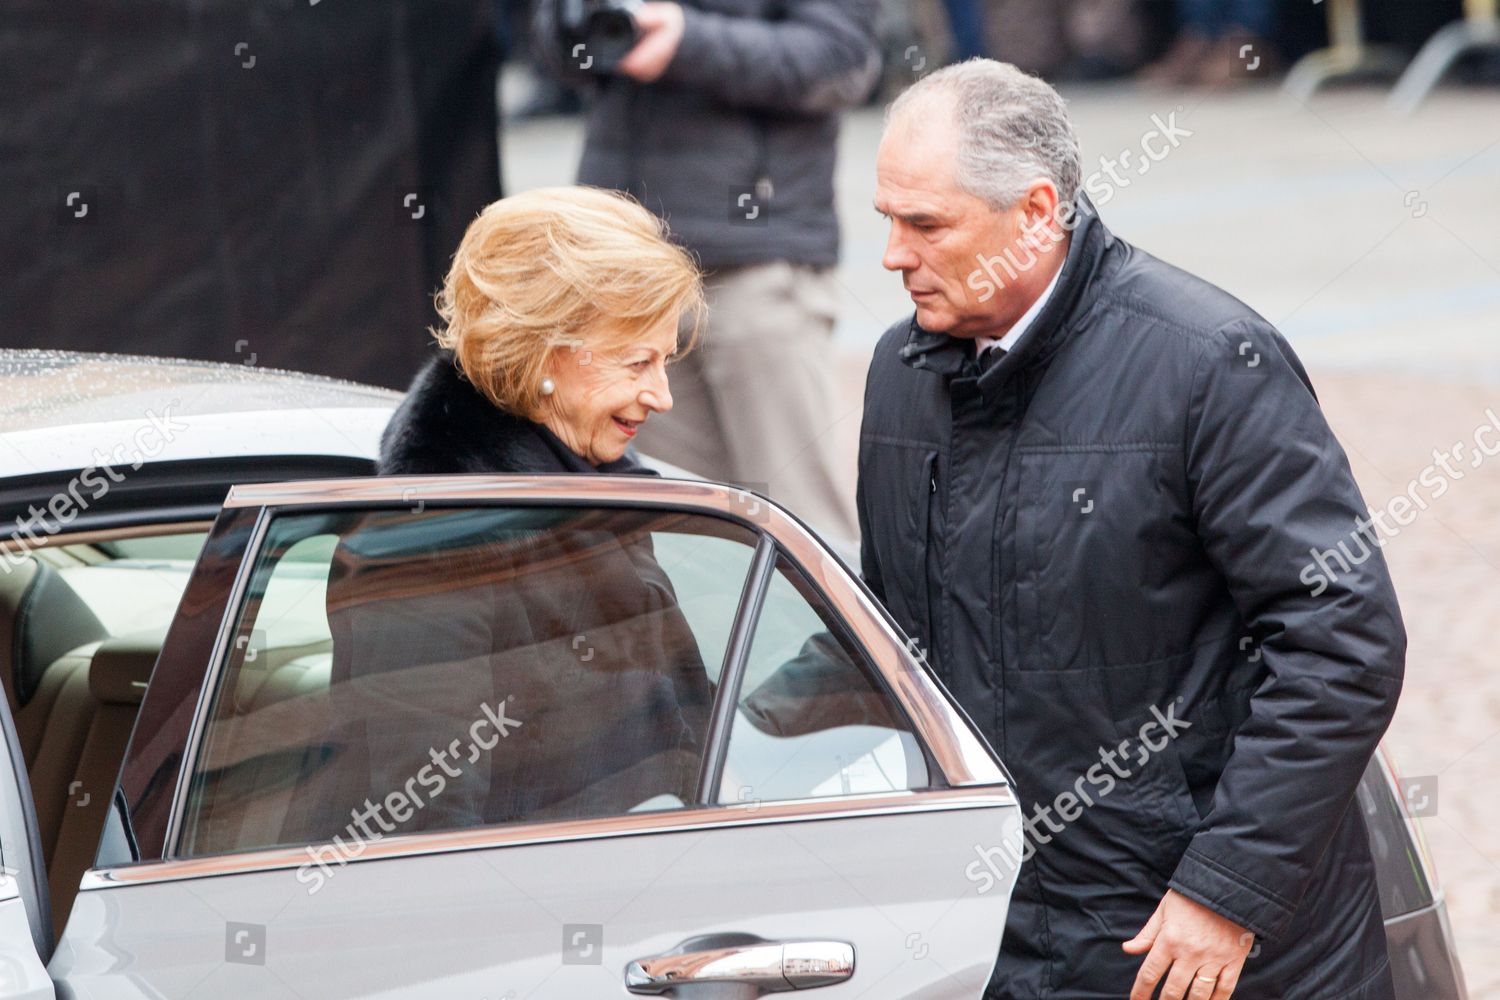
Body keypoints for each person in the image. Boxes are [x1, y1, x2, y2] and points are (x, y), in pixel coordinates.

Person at [863, 61, 1404, 999]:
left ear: (1036, 212)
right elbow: (897, 630)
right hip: (1003, 934)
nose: (892, 255)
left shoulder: (1207, 362)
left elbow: (1340, 643)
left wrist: (1227, 889)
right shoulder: (902, 373)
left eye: (926, 225)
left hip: (1195, 943)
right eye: (887, 220)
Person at [307, 187, 714, 838]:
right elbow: (432, 831)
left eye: (664, 361)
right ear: (545, 354)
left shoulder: (594, 487)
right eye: (638, 362)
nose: (661, 395)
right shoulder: (434, 540)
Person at [528, 0, 881, 540]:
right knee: (679, 529)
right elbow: (559, 53)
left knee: (800, 526)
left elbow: (840, 61)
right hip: (631, 270)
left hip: (755, 260)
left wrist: (688, 40)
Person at [1143, 0, 1279, 87]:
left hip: (1263, 45)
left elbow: (1252, 35)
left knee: (1224, 71)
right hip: (1206, 46)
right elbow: (1196, 31)